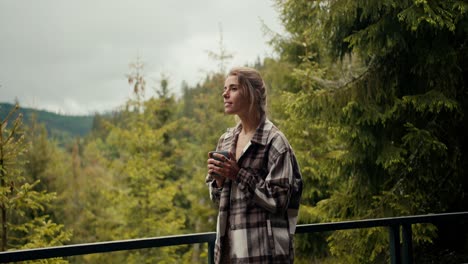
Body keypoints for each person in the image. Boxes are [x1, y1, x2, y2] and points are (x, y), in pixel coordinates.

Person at [206, 67, 303, 263]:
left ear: (252, 94)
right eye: (225, 88)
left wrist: (238, 174)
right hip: (228, 254)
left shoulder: (275, 142)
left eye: (233, 88)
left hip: (264, 255)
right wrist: (218, 182)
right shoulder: (225, 140)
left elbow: (278, 200)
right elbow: (218, 199)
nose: (225, 94)